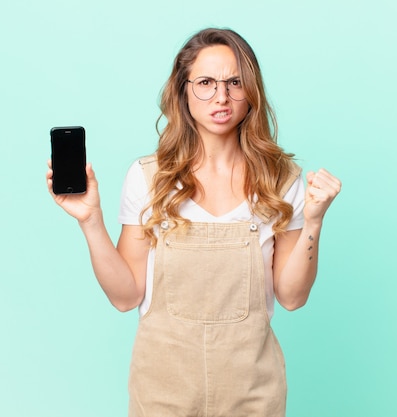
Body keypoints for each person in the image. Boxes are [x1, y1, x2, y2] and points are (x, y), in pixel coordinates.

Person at [47, 28, 341, 417]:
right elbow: (125, 297)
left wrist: (314, 223)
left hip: (252, 392)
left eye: (234, 82)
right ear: (183, 90)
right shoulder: (149, 177)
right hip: (162, 393)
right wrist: (90, 220)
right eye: (205, 82)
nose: (221, 96)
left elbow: (292, 297)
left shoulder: (280, 180)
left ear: (250, 90)